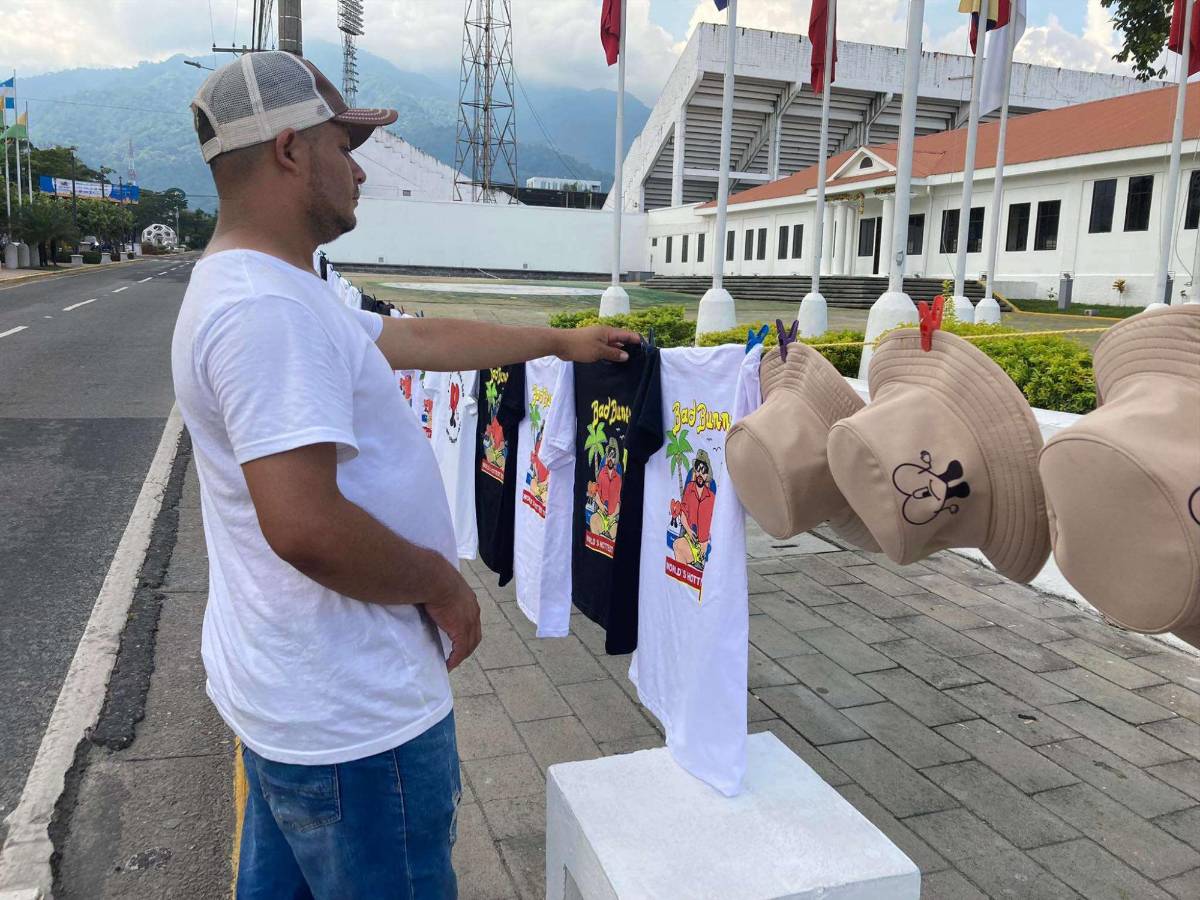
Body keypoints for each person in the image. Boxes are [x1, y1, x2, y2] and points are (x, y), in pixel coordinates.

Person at [171, 52, 638, 900]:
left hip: (299, 707)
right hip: (355, 729)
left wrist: (554, 340)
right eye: (343, 145)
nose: (357, 169)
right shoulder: (267, 312)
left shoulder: (277, 288)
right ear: (287, 151)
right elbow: (305, 526)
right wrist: (442, 586)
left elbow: (414, 343)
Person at [674, 449, 715, 568]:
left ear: (707, 474)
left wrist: (706, 543)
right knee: (677, 545)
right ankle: (681, 581)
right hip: (690, 539)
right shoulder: (689, 489)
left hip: (704, 544)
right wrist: (688, 530)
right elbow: (683, 513)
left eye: (703, 471)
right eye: (697, 469)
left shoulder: (712, 498)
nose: (700, 474)